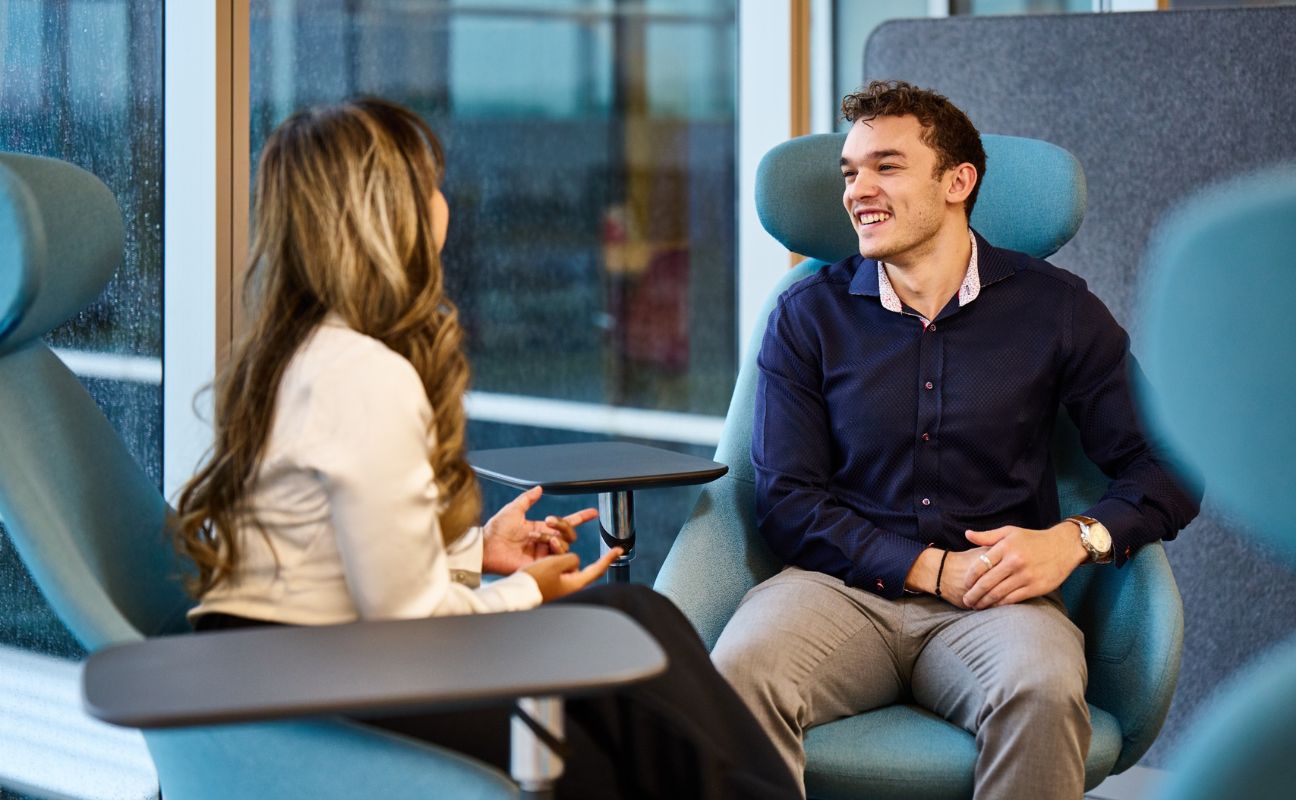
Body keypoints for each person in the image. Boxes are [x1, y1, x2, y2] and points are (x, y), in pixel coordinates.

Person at [172, 97, 796, 800]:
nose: (445, 202)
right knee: (638, 687)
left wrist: (473, 553)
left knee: (637, 617)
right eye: (431, 183)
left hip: (290, 666)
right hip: (329, 693)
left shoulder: (289, 358)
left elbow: (324, 556)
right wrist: (524, 591)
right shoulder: (364, 374)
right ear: (391, 210)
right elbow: (409, 630)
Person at [710, 80, 1201, 800]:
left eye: (886, 166)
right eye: (850, 173)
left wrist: (1074, 540)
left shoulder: (1056, 309)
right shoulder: (806, 316)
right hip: (837, 591)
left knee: (1041, 689)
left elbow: (1169, 466)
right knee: (736, 675)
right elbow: (787, 501)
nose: (857, 191)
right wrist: (931, 569)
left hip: (999, 602)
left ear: (957, 181)